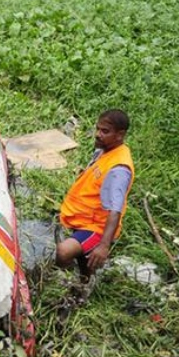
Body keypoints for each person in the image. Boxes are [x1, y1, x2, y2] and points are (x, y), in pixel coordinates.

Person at [56, 109, 135, 280]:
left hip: (96, 227)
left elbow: (115, 210)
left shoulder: (119, 169)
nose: (98, 134)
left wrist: (104, 246)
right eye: (98, 129)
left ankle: (68, 280)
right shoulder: (105, 149)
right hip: (82, 217)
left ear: (120, 135)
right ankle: (83, 275)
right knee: (83, 262)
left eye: (105, 131)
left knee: (63, 252)